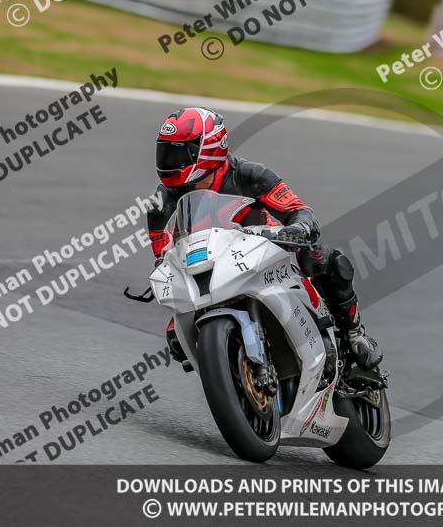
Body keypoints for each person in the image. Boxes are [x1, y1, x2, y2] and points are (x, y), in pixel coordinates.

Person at [146, 107, 382, 370]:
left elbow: (298, 210)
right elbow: (165, 259)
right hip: (211, 273)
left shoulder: (249, 175)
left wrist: (298, 229)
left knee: (321, 257)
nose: (168, 161)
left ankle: (354, 332)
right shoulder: (161, 202)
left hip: (265, 257)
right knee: (177, 338)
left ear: (209, 148)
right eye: (165, 151)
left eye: (178, 153)